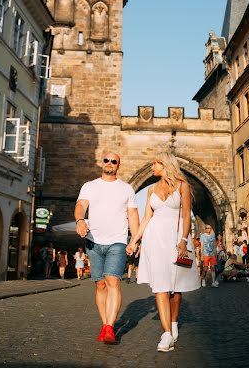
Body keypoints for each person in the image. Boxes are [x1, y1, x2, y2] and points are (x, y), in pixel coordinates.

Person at [127, 152, 200, 353]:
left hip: (176, 239)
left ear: (164, 164)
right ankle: (166, 333)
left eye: (154, 164)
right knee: (160, 285)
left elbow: (186, 215)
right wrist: (134, 241)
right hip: (154, 239)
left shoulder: (183, 186)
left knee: (176, 288)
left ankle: (174, 322)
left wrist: (184, 240)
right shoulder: (151, 190)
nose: (152, 168)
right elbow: (145, 219)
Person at [75, 151, 139, 345]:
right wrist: (79, 220)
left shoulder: (126, 189)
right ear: (101, 163)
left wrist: (134, 240)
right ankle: (105, 323)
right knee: (100, 284)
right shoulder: (89, 186)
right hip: (94, 241)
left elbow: (133, 216)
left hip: (117, 242)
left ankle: (110, 327)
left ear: (118, 166)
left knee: (113, 281)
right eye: (107, 160)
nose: (110, 163)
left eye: (114, 161)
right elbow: (80, 206)